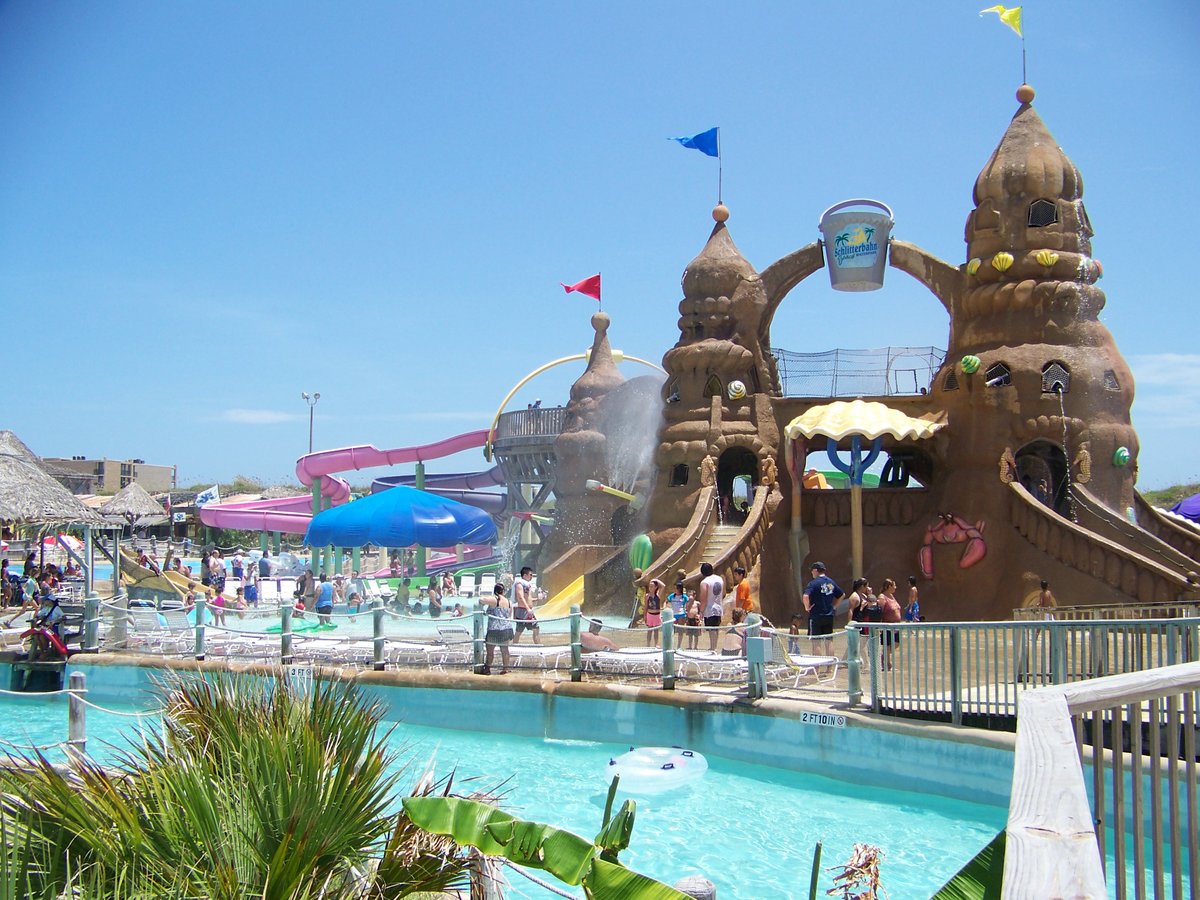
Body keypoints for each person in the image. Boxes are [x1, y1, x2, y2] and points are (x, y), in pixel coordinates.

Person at [801, 561, 843, 658]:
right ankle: (830, 668)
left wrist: (807, 607)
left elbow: (806, 596)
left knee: (816, 642)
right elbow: (841, 595)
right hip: (829, 615)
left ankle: (817, 668)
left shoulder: (813, 583)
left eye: (812, 570)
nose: (811, 572)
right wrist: (835, 607)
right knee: (829, 641)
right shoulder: (830, 583)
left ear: (815, 570)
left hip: (816, 616)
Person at [480, 582, 513, 674]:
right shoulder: (509, 602)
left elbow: (482, 599)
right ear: (504, 591)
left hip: (494, 630)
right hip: (507, 628)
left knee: (490, 650)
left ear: (495, 591)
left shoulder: (495, 599)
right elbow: (509, 615)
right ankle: (505, 668)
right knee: (505, 650)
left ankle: (487, 668)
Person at [698, 562, 725, 652]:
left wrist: (701, 611)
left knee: (711, 629)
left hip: (710, 608)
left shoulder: (704, 582)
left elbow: (703, 598)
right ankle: (714, 646)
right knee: (715, 628)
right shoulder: (719, 579)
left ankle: (712, 648)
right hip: (719, 607)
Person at [512, 566, 540, 644]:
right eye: (530, 575)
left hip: (528, 611)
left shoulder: (526, 584)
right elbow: (520, 597)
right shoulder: (519, 584)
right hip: (523, 611)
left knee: (536, 628)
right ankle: (515, 646)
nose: (531, 577)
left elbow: (527, 598)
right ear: (524, 575)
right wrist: (528, 608)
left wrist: (537, 599)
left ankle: (538, 646)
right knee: (519, 631)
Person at [878, 579, 903, 670]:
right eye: (894, 585)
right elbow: (879, 611)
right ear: (889, 586)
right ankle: (887, 665)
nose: (895, 587)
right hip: (887, 626)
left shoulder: (891, 596)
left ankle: (884, 656)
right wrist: (879, 625)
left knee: (896, 643)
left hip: (896, 626)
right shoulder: (882, 597)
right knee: (887, 645)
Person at [643, 578, 664, 647]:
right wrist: (645, 616)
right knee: (649, 631)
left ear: (655, 587)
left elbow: (663, 586)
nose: (650, 588)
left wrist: (655, 580)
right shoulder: (647, 596)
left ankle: (656, 644)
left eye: (652, 586)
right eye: (649, 586)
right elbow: (646, 606)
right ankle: (648, 644)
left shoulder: (658, 595)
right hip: (650, 614)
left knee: (656, 631)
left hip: (657, 615)